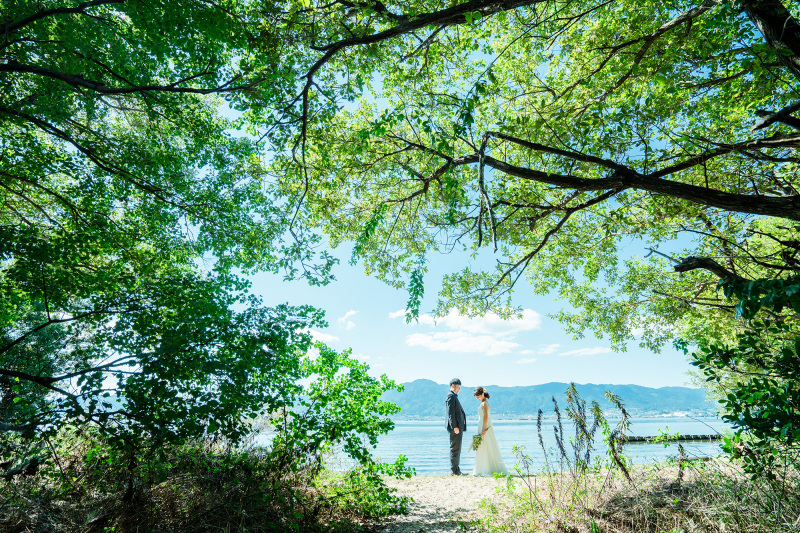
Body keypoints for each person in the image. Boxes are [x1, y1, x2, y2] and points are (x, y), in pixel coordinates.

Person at [472, 386, 508, 476]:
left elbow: (486, 417)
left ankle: (485, 469)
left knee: (484, 446)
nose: (478, 399)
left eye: (478, 397)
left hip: (485, 426)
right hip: (482, 425)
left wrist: (483, 429)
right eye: (476, 398)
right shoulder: (484, 403)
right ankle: (482, 468)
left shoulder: (484, 404)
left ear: (483, 394)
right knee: (482, 446)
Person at [445, 378, 467, 475]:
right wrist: (455, 426)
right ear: (453, 386)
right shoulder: (451, 396)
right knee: (455, 448)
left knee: (457, 448)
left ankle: (456, 469)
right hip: (456, 427)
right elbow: (451, 413)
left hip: (458, 426)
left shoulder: (454, 396)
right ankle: (454, 470)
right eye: (458, 387)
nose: (459, 390)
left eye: (459, 388)